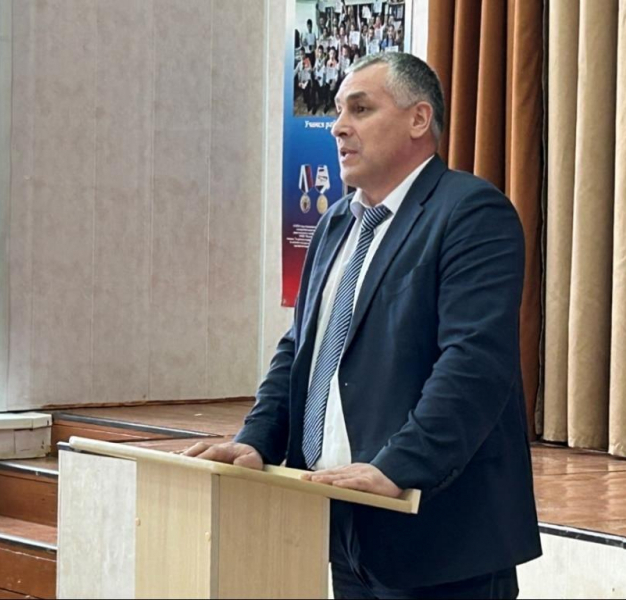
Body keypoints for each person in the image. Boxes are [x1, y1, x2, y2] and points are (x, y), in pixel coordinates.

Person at [182, 52, 541, 599]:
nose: (338, 127)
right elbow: (300, 349)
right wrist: (256, 439)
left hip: (436, 530)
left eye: (361, 109)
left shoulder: (470, 213)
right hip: (345, 521)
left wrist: (399, 467)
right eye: (337, 111)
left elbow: (474, 363)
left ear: (419, 119)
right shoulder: (335, 223)